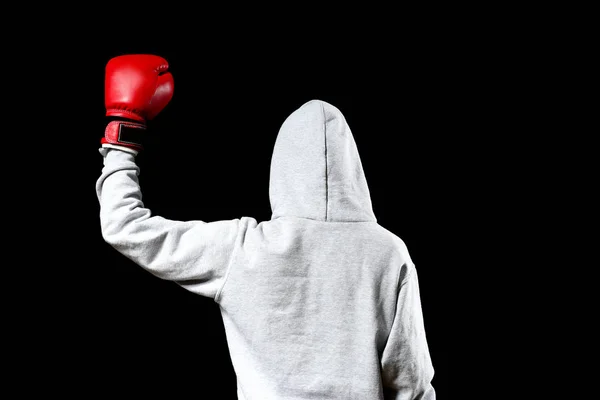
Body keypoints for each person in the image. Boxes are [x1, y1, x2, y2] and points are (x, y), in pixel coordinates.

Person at [96, 54, 436, 400]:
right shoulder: (387, 253)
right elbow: (413, 385)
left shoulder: (244, 249)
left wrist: (122, 135)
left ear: (283, 165)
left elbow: (124, 226)